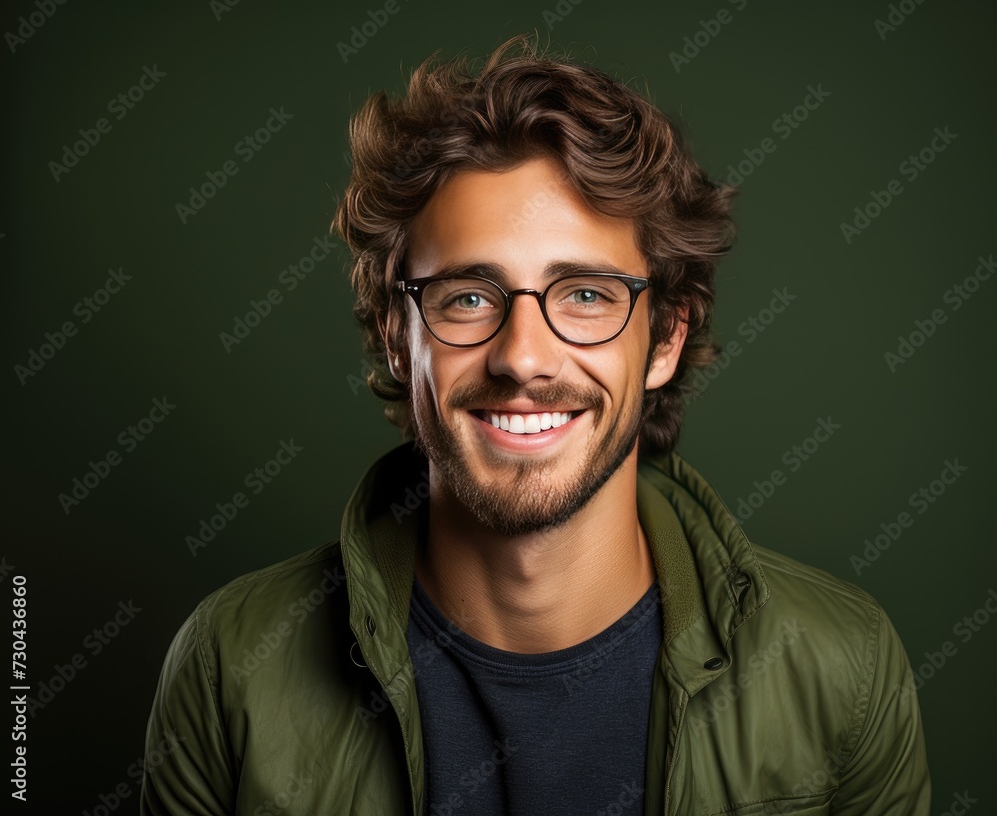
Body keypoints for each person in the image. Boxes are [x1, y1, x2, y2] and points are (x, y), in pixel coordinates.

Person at [140, 34, 930, 815]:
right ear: (395, 334)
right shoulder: (231, 666)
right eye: (468, 297)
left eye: (586, 294)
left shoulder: (842, 669)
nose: (522, 359)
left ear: (664, 338)